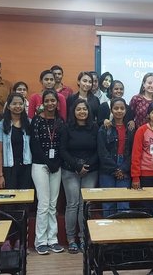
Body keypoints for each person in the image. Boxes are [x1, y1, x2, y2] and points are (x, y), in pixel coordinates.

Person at [60, 99, 99, 254]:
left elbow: (98, 150)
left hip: (91, 170)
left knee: (85, 205)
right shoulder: (66, 127)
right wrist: (77, 166)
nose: (82, 112)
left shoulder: (95, 127)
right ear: (73, 111)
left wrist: (86, 166)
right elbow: (62, 150)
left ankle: (83, 238)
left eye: (84, 109)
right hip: (70, 170)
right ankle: (71, 240)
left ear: (88, 111)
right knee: (72, 204)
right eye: (78, 109)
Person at [30, 90, 66, 255]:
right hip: (40, 165)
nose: (51, 103)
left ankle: (53, 239)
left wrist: (56, 162)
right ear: (43, 102)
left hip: (56, 165)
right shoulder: (37, 120)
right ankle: (40, 241)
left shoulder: (61, 121)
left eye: (53, 100)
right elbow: (34, 144)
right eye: (48, 100)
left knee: (53, 204)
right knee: (43, 204)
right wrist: (47, 162)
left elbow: (62, 145)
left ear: (57, 103)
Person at [97, 97, 134, 216]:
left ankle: (122, 234)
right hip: (107, 168)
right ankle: (108, 233)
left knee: (123, 204)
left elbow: (133, 152)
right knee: (108, 203)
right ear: (111, 110)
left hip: (125, 167)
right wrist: (115, 169)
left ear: (126, 110)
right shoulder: (104, 128)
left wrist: (122, 168)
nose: (119, 111)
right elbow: (102, 152)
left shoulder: (130, 129)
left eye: (122, 108)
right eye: (116, 108)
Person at [0, 93, 32, 193]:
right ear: (9, 106)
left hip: (26, 166)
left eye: (20, 103)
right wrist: (0, 175)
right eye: (14, 103)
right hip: (9, 167)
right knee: (9, 198)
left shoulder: (30, 123)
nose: (18, 106)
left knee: (25, 198)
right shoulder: (0, 126)